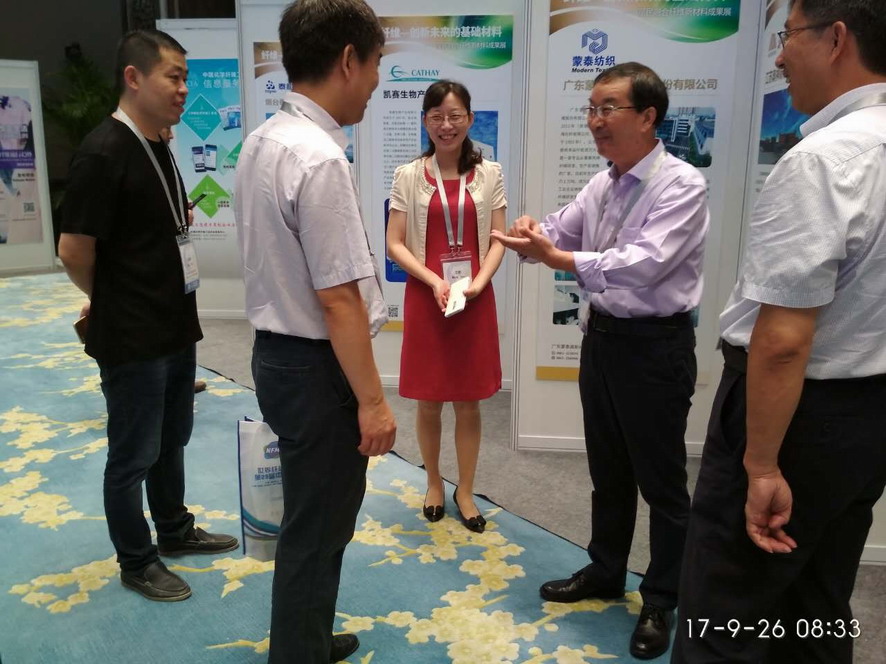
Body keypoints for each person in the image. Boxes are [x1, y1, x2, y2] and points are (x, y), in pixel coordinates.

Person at [672, 1, 886, 661]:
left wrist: (761, 464)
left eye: (788, 35)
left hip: (793, 418)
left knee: (725, 609)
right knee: (818, 599)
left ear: (836, 38)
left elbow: (785, 340)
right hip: (868, 410)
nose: (779, 54)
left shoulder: (824, 159)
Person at [494, 62, 709, 659]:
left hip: (655, 347)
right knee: (609, 469)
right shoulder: (604, 182)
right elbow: (558, 230)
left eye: (608, 108)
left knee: (662, 481)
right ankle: (607, 569)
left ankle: (661, 598)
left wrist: (560, 259)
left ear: (648, 116)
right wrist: (530, 233)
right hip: (604, 342)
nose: (595, 120)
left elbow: (646, 263)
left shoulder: (682, 184)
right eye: (591, 108)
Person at [233, 2, 396, 662]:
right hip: (315, 367)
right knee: (319, 525)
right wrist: (374, 402)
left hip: (278, 357)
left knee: (312, 516)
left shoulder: (263, 139)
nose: (378, 80)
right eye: (377, 63)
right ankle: (298, 653)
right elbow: (338, 300)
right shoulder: (319, 157)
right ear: (348, 60)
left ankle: (305, 639)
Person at [57, 29, 238, 603]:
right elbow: (73, 250)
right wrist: (112, 296)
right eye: (174, 77)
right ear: (134, 78)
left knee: (171, 438)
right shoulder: (102, 151)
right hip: (132, 331)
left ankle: (175, 529)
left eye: (186, 78)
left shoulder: (157, 141)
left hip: (173, 320)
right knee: (132, 453)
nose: (184, 88)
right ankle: (137, 560)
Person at [386, 80, 506, 533]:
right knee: (430, 401)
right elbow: (395, 243)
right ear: (425, 122)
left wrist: (478, 283)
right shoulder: (409, 175)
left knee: (469, 402)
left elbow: (498, 238)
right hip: (427, 297)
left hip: (473, 299)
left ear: (470, 119)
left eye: (455, 116)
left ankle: (466, 490)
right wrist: (436, 280)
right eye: (437, 116)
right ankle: (434, 483)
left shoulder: (489, 174)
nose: (446, 125)